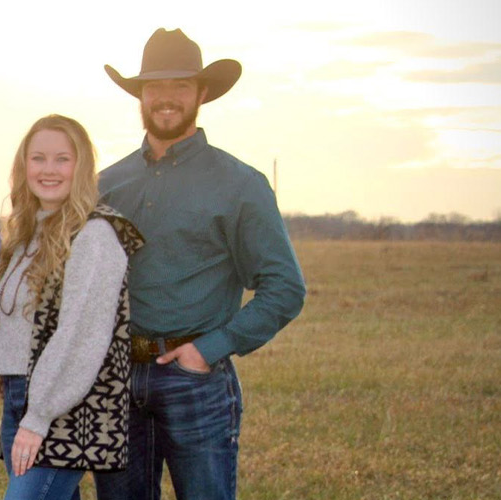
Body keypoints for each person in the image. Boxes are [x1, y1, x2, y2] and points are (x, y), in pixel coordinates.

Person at [92, 28, 307, 500]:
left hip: (196, 380)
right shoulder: (106, 182)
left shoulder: (239, 184)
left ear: (202, 93)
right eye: (154, 87)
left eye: (180, 86)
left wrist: (211, 348)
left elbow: (284, 287)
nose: (166, 98)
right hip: (116, 381)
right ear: (140, 96)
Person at [0, 115, 144, 500]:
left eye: (62, 159)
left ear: (82, 167)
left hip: (58, 406)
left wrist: (39, 414)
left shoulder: (94, 234)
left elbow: (81, 335)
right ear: (24, 166)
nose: (49, 169)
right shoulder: (25, 235)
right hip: (18, 396)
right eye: (38, 158)